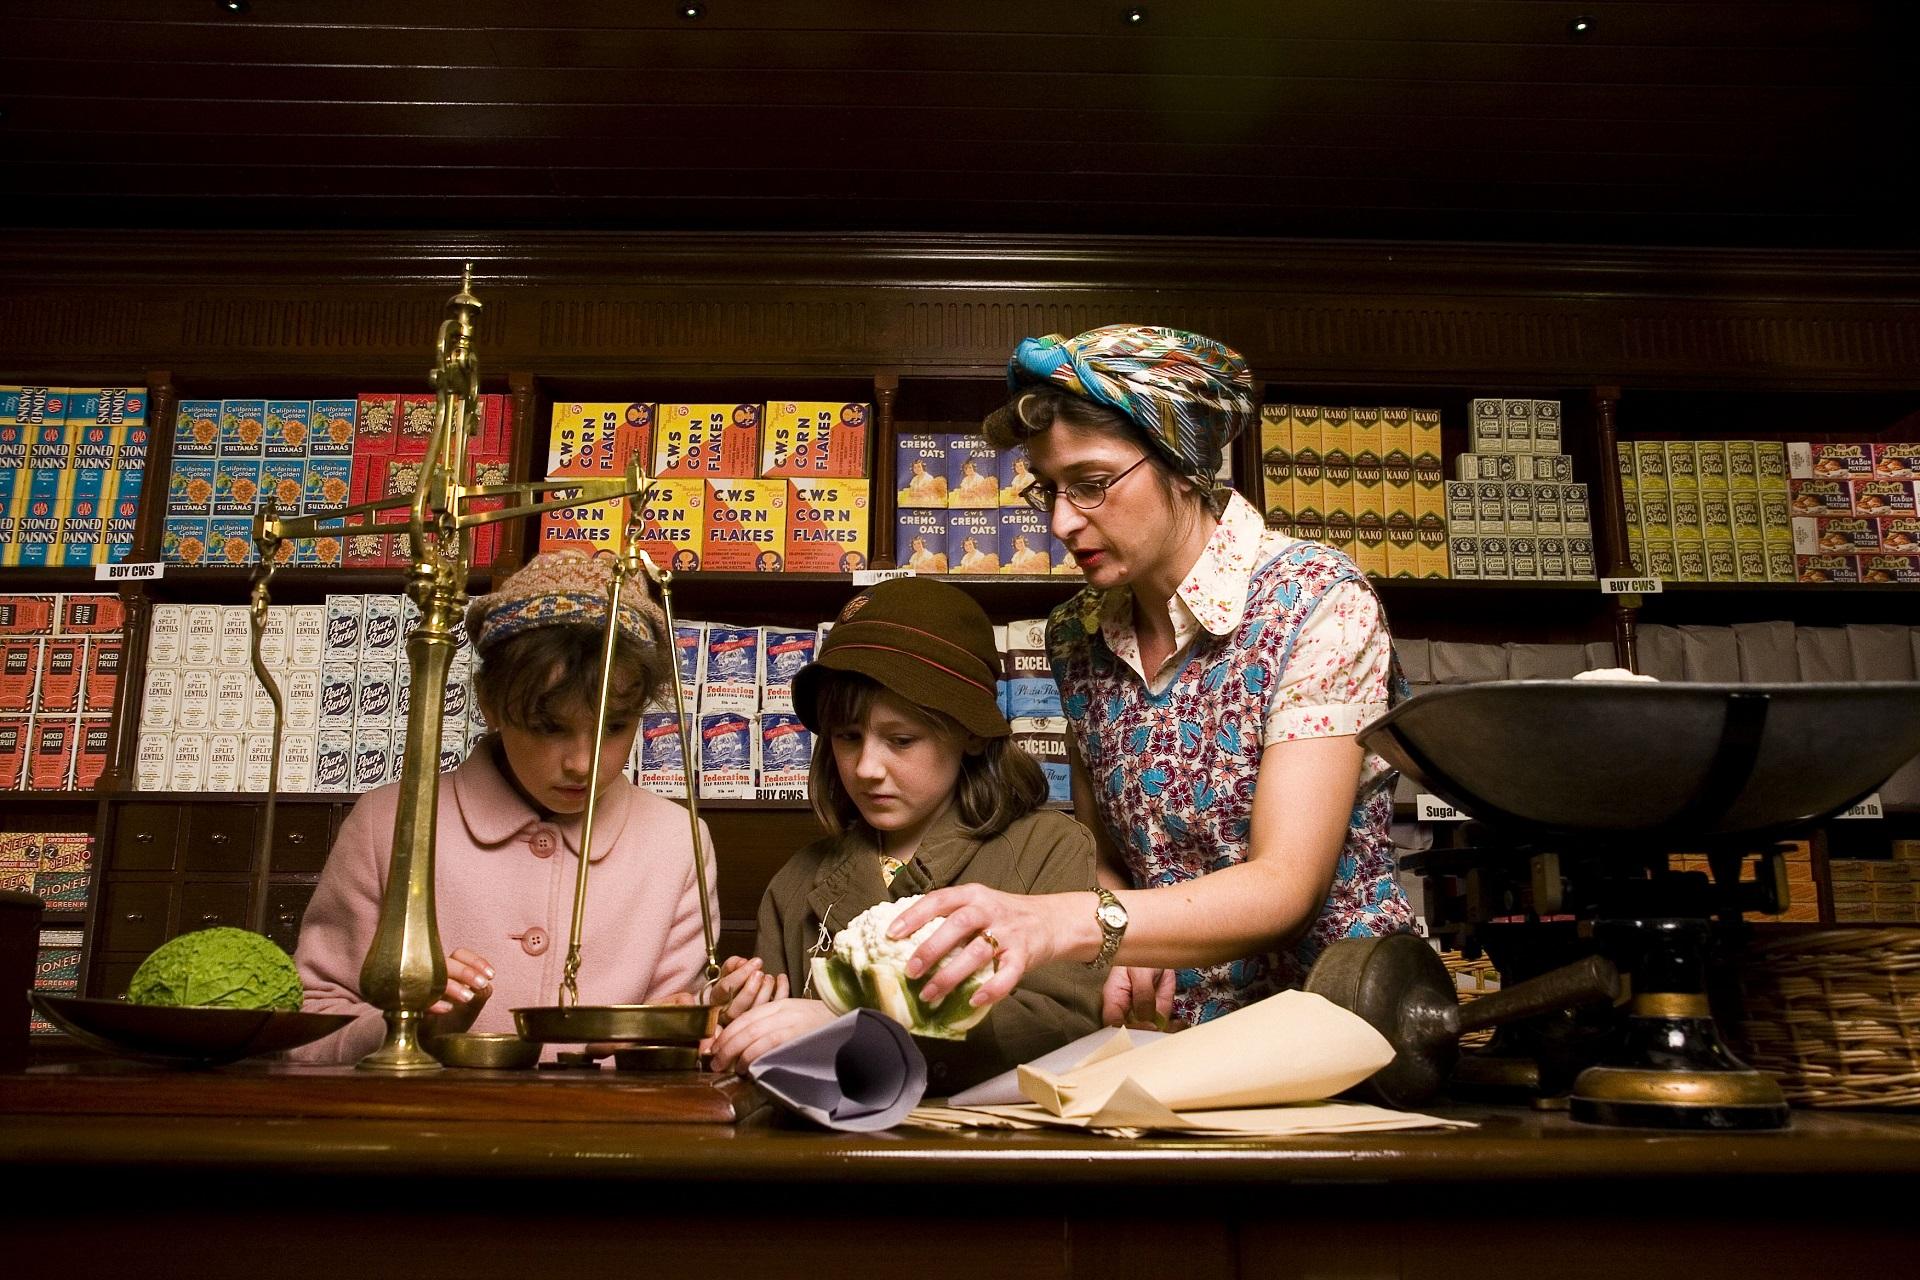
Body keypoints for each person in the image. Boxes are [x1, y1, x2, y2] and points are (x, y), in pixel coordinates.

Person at [890, 324, 1413, 1030]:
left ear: (1181, 462)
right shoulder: (1074, 634)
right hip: (1163, 1037)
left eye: (1093, 484)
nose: (1064, 522)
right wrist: (1121, 939)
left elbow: (1286, 886)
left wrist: (1071, 922)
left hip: (1336, 1022)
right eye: (1048, 490)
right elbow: (1108, 858)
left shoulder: (1316, 600)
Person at [290, 551, 719, 1063]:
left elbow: (675, 1030)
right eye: (549, 727)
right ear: (489, 704)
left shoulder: (676, 841)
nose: (582, 763)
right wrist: (407, 1027)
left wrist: (676, 1029)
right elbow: (311, 1025)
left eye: (613, 726)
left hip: (607, 1133)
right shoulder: (388, 824)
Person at [706, 577, 1103, 1091]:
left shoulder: (1049, 848)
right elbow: (776, 1063)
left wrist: (855, 1030)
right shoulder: (796, 882)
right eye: (848, 737)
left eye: (900, 740)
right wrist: (746, 1013)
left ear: (972, 733)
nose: (867, 767)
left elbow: (1062, 1028)